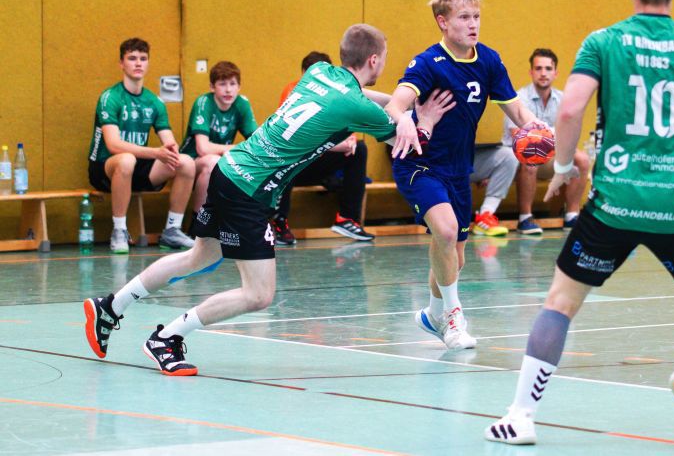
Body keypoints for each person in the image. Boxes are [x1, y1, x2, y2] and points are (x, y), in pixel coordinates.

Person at [485, 0, 674, 445]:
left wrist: (564, 168)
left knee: (560, 303)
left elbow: (569, 111)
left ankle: (520, 417)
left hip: (612, 204)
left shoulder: (603, 42)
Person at [82, 24, 454, 376]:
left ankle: (111, 305)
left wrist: (403, 104)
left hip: (229, 171)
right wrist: (426, 117)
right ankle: (167, 337)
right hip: (249, 191)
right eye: (383, 59)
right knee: (259, 294)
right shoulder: (357, 108)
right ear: (374, 60)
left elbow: (367, 99)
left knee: (198, 257)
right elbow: (410, 142)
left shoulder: (320, 72)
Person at [384, 0, 544, 351]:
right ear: (443, 21)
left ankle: (432, 314)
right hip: (420, 164)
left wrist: (535, 126)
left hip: (458, 170)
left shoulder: (488, 60)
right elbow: (395, 103)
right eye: (463, 17)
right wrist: (403, 119)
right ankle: (454, 318)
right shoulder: (429, 63)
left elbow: (516, 109)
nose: (473, 24)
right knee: (444, 231)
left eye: (476, 16)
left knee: (454, 257)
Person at [88, 37, 196, 254]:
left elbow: (169, 141)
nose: (138, 63)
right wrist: (155, 152)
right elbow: (113, 145)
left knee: (186, 162)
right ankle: (119, 230)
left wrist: (171, 150)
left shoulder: (154, 102)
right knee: (126, 160)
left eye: (143, 58)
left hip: (139, 167)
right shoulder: (110, 97)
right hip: (105, 168)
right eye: (132, 58)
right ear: (121, 63)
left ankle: (172, 230)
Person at [272, 51, 373, 245]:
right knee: (287, 161)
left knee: (359, 149)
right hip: (295, 165)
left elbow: (346, 126)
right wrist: (335, 145)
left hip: (318, 164)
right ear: (303, 75)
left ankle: (347, 218)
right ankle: (279, 223)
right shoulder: (293, 91)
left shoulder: (335, 94)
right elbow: (299, 138)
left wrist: (350, 141)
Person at [503, 48, 590, 234]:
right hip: (515, 161)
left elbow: (569, 136)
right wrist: (554, 136)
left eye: (548, 69)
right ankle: (525, 218)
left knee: (581, 159)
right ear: (531, 72)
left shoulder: (563, 99)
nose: (543, 73)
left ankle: (572, 216)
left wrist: (544, 135)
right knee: (531, 155)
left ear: (555, 73)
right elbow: (520, 136)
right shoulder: (519, 98)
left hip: (550, 156)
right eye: (539, 68)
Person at [180, 60, 258, 215]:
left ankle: (246, 221)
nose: (228, 90)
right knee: (212, 162)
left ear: (239, 87)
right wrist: (235, 148)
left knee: (249, 164)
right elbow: (202, 148)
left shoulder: (242, 103)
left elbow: (256, 142)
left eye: (232, 84)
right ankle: (198, 221)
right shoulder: (204, 102)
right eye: (222, 84)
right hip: (191, 162)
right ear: (212, 87)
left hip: (221, 161)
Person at [469, 143, 518, 236]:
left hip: (473, 157)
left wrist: (487, 172)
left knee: (509, 156)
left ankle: (485, 216)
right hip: (446, 158)